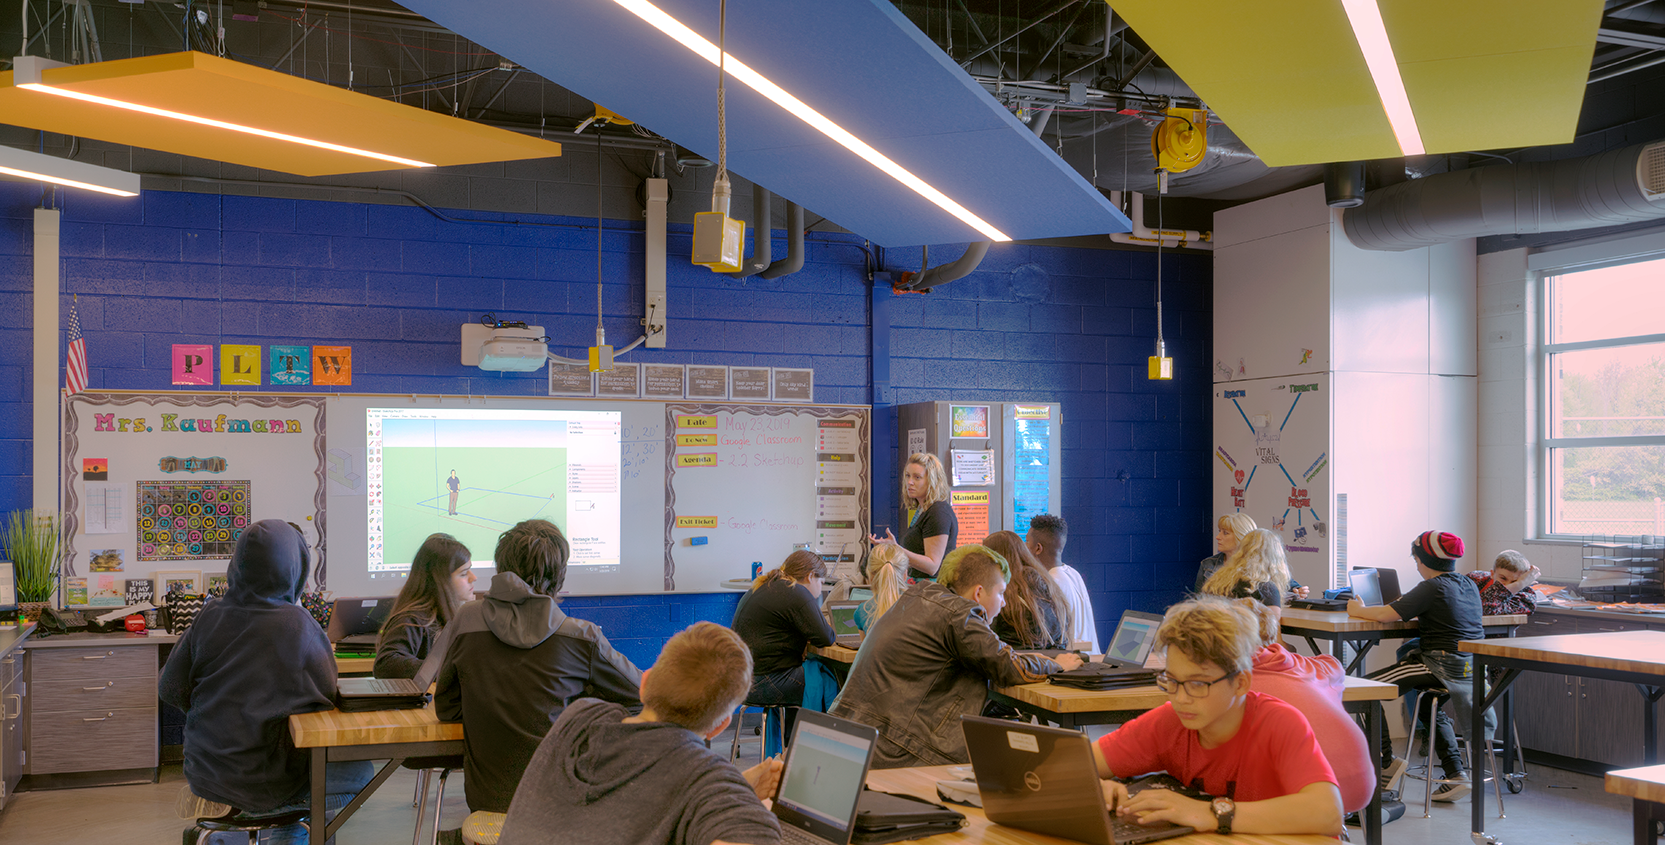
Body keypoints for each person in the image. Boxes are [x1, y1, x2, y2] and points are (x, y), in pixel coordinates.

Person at [160, 519, 374, 839]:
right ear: (296, 567)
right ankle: (283, 830)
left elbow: (169, 688)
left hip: (205, 773)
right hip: (264, 779)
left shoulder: (209, 615)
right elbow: (326, 696)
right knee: (360, 773)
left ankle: (225, 836)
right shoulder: (298, 625)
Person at [497, 622, 784, 845]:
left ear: (644, 684)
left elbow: (642, 794)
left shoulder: (579, 717)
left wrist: (735, 789)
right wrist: (733, 795)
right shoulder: (708, 779)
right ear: (720, 726)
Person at [436, 519, 643, 815]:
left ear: (500, 568)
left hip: (488, 806)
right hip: (565, 809)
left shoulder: (466, 620)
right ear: (560, 575)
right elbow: (641, 694)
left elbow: (446, 708)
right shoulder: (582, 636)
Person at [1093, 596, 1344, 836]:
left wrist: (1210, 813)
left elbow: (1329, 813)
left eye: (1199, 684)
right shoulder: (1170, 721)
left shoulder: (1279, 723)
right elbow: (1073, 764)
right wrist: (1094, 787)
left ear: (1241, 683)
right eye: (1172, 681)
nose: (1180, 698)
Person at [830, 546, 1081, 768]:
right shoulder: (959, 615)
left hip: (861, 736)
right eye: (1001, 593)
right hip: (899, 749)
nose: (1004, 603)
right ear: (979, 593)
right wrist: (1055, 663)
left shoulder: (919, 597)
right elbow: (1008, 667)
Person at [1350, 530, 1490, 803]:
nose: (1416, 565)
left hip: (1438, 666)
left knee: (1361, 690)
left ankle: (1385, 760)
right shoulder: (1466, 584)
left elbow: (1383, 615)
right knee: (1428, 706)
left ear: (1422, 561)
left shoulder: (1431, 587)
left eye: (1415, 559)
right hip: (1468, 669)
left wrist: (1356, 608)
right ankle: (1455, 776)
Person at [1238, 599, 1375, 816]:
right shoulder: (1304, 666)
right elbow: (1333, 664)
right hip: (1356, 787)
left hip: (1293, 797)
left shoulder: (1228, 677)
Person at [729, 549, 836, 743]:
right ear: (811, 576)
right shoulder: (797, 592)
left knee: (810, 672)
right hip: (767, 683)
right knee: (830, 678)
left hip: (744, 680)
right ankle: (810, 746)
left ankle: (787, 745)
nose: (821, 588)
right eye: (821, 582)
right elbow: (826, 637)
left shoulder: (764, 585)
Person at [375, 533, 476, 679]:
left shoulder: (453, 616)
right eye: (464, 573)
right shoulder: (412, 620)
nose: (474, 578)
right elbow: (386, 663)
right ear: (441, 580)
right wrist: (448, 669)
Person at [868, 453, 956, 580]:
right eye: (908, 476)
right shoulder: (923, 509)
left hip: (933, 591)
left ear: (932, 481)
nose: (909, 482)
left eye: (917, 477)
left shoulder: (938, 512)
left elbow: (932, 566)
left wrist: (896, 549)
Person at [983, 529, 1073, 650]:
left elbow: (986, 638)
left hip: (1019, 661)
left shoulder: (1004, 592)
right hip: (1054, 660)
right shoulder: (1046, 582)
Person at [1027, 513, 1099, 652]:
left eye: (1027, 542)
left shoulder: (1050, 583)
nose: (1025, 548)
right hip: (1090, 657)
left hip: (1074, 663)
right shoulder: (1073, 573)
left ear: (1038, 548)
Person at [1198, 514, 1308, 600]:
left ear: (1241, 536)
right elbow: (1197, 599)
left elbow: (1289, 584)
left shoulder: (1260, 564)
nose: (1218, 537)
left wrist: (1299, 591)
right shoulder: (1208, 564)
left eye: (1225, 533)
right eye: (1219, 531)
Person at [1199, 528, 1291, 608]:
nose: (1218, 537)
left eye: (1225, 532)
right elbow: (1271, 626)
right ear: (1276, 555)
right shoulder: (1267, 588)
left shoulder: (1218, 578)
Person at [1468, 550, 1540, 616]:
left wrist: (1519, 585)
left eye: (1514, 582)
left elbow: (1485, 610)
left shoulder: (1526, 600)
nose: (1507, 584)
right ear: (1492, 574)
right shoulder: (1475, 578)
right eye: (1503, 578)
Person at [854, 543, 908, 631]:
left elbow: (866, 644)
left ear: (870, 577)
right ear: (905, 574)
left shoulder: (862, 611)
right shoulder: (921, 608)